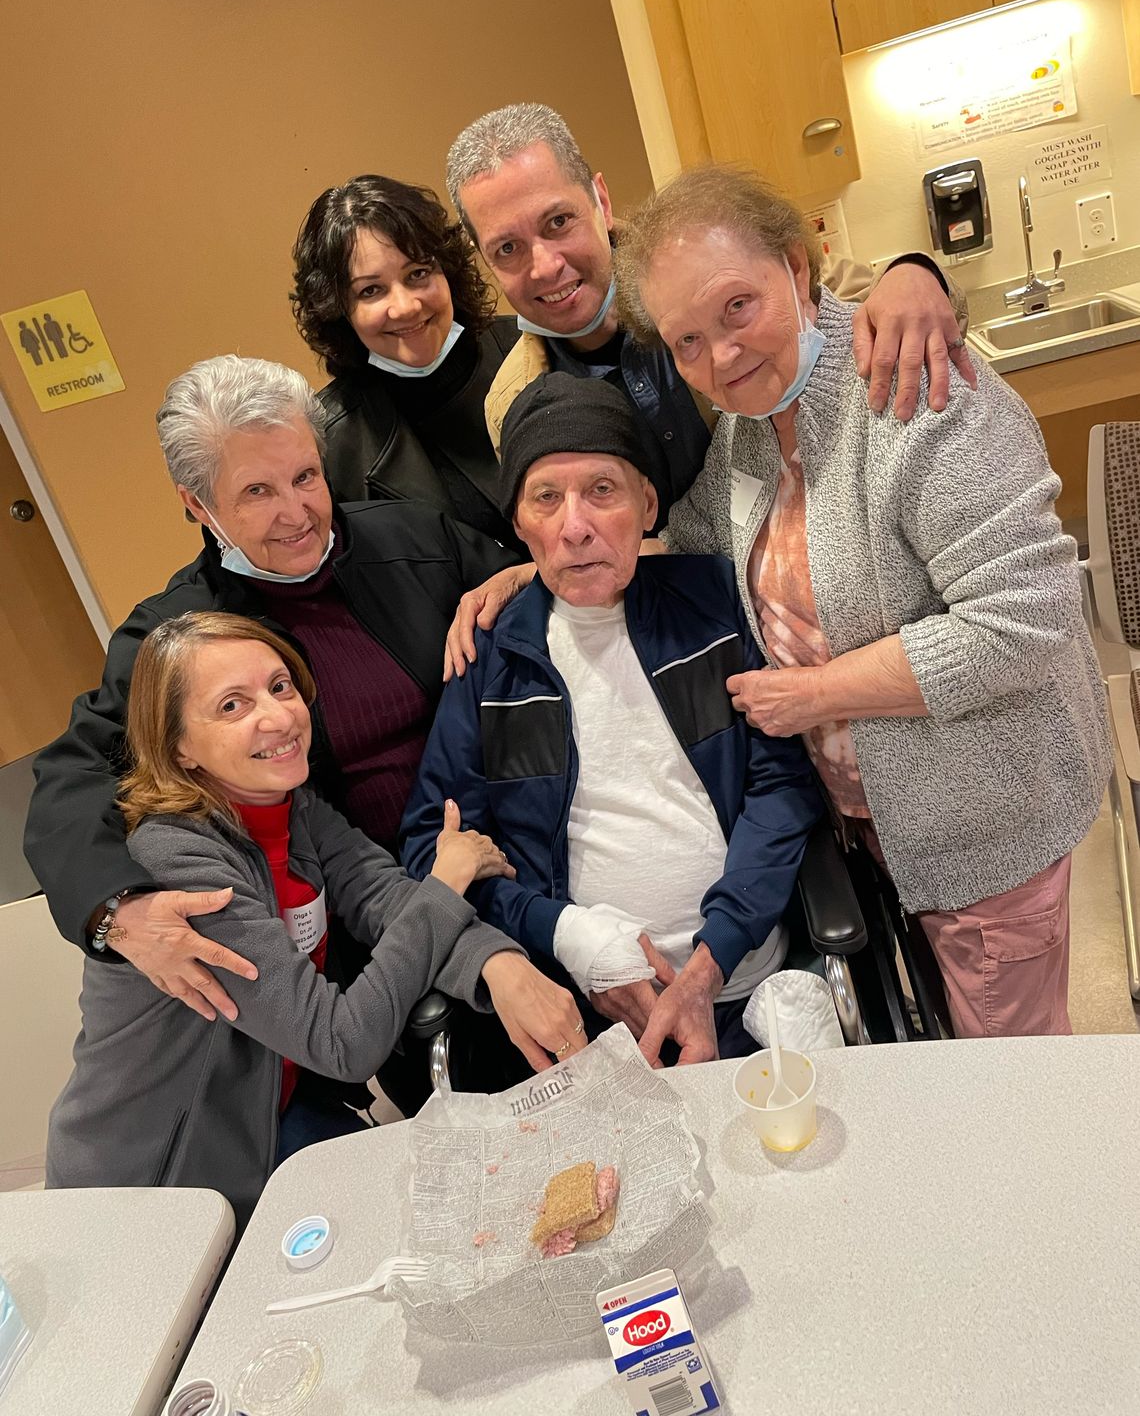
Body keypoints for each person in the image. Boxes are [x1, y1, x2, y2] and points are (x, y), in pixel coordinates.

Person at [611, 163, 1112, 1038]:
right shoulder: (746, 432)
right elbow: (692, 544)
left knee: (1018, 1078)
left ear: (799, 271)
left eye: (738, 307)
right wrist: (540, 566)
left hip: (985, 818)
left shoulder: (915, 384)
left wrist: (812, 695)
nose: (721, 358)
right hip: (878, 823)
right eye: (686, 342)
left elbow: (1021, 618)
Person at [24, 356, 558, 1107]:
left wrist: (519, 574)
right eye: (256, 492)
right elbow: (72, 779)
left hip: (505, 857)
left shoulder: (412, 537)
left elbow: (546, 575)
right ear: (197, 503)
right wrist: (117, 911)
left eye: (306, 477)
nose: (297, 512)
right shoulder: (181, 637)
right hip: (370, 921)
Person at [46, 613, 583, 1230]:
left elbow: (384, 896)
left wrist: (498, 962)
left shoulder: (289, 806)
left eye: (280, 687)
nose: (276, 717)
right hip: (159, 1185)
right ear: (178, 748)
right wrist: (447, 880)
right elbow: (342, 1042)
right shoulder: (179, 861)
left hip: (272, 1110)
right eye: (231, 705)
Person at [402, 375, 822, 1066]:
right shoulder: (491, 658)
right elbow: (431, 842)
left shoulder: (714, 602)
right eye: (546, 498)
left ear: (647, 503)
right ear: (518, 523)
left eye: (603, 490)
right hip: (587, 1019)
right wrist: (568, 934)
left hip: (745, 977)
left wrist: (712, 960)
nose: (575, 526)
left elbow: (782, 786)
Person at [444, 101, 974, 526]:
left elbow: (853, 301)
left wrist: (917, 274)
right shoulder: (512, 402)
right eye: (507, 249)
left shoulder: (704, 267)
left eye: (558, 221)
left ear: (600, 200)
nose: (543, 266)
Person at [291, 175, 523, 550]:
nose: (405, 306)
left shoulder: (534, 348)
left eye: (418, 273)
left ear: (448, 271)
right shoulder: (329, 444)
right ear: (338, 311)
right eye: (371, 290)